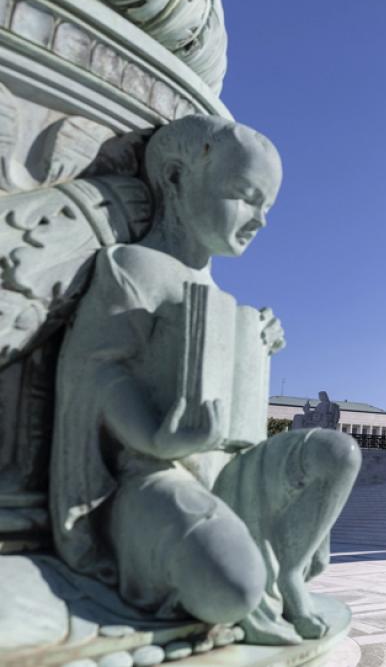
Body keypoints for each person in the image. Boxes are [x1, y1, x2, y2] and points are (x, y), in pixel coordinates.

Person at [50, 115, 360, 645]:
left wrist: (255, 344)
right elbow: (97, 372)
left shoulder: (220, 297)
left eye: (267, 207)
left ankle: (289, 571)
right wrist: (156, 439)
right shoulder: (132, 268)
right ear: (176, 178)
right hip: (155, 475)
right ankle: (243, 577)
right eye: (244, 196)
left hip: (232, 465)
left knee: (339, 453)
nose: (259, 220)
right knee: (232, 588)